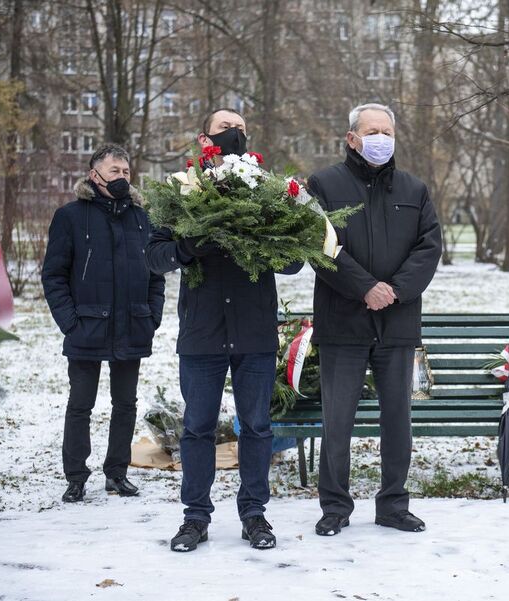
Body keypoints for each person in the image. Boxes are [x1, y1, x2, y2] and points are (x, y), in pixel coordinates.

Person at [146, 108, 303, 552]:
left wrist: (263, 241)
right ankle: (195, 517)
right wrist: (188, 246)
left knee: (256, 425)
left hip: (253, 331)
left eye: (239, 129)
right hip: (203, 331)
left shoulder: (268, 190)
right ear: (204, 139)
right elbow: (154, 257)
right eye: (223, 129)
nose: (233, 134)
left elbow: (294, 259)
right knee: (196, 428)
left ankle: (254, 513)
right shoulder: (182, 191)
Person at [307, 103, 441, 536]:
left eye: (387, 131)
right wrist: (365, 286)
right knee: (338, 418)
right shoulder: (323, 184)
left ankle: (393, 504)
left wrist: (396, 289)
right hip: (342, 321)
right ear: (352, 138)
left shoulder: (414, 189)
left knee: (397, 418)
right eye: (372, 131)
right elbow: (318, 246)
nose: (381, 138)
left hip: (397, 323)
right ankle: (335, 506)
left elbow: (428, 247)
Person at [42, 144, 165, 503]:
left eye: (126, 172)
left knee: (125, 404)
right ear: (94, 175)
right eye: (115, 172)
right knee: (81, 404)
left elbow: (155, 274)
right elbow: (53, 276)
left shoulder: (143, 218)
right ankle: (76, 476)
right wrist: (70, 322)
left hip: (133, 325)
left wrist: (151, 315)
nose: (122, 178)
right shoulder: (70, 216)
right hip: (87, 328)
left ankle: (117, 473)